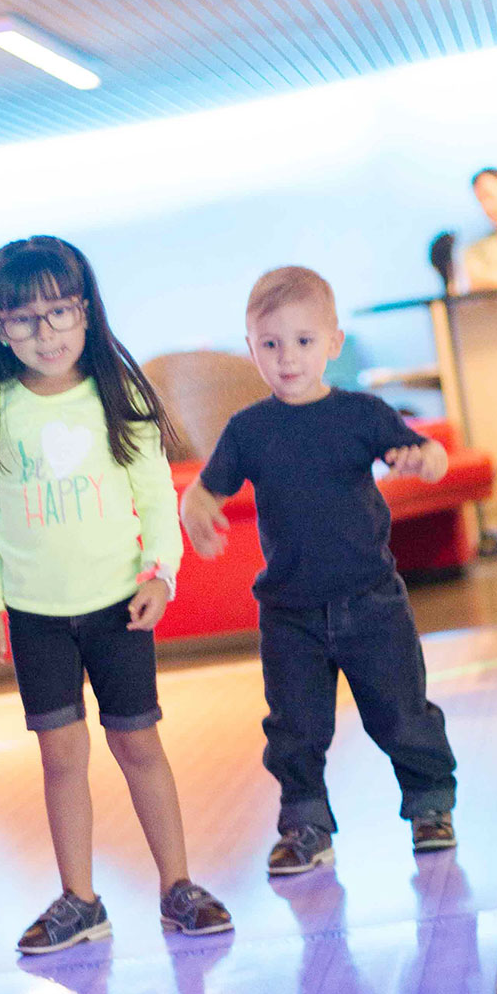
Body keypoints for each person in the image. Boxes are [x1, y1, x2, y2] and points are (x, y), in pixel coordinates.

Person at [0, 235, 231, 954]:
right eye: (23, 319)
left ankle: (178, 886)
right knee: (60, 756)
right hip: (34, 615)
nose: (44, 333)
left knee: (138, 742)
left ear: (87, 311)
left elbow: (153, 492)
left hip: (118, 605)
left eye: (59, 313)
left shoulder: (120, 393)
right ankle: (80, 899)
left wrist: (161, 574)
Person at [180, 265, 459, 876]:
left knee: (402, 713)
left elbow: (432, 455)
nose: (287, 359)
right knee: (295, 729)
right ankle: (305, 825)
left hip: (372, 601)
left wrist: (425, 460)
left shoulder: (362, 414)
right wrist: (195, 510)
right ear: (251, 347)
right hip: (290, 613)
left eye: (304, 342)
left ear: (333, 343)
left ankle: (430, 807)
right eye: (271, 344)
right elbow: (204, 490)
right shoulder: (248, 429)